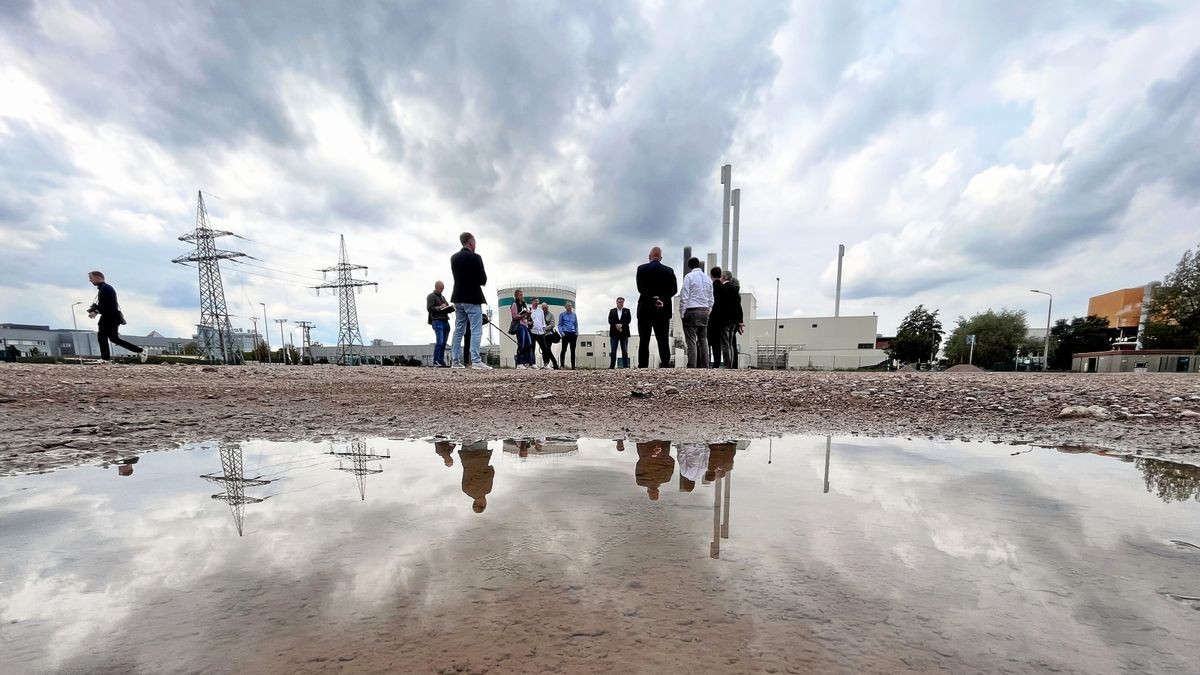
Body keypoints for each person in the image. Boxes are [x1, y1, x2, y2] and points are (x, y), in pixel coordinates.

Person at [449, 232, 492, 370]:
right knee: (476, 329)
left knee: (459, 329)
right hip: (472, 297)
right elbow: (483, 280)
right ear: (471, 242)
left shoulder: (453, 258)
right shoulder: (476, 257)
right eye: (475, 242)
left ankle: (455, 360)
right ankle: (476, 360)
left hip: (458, 297)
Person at [87, 271, 147, 362]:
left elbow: (108, 304)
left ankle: (105, 359)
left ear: (98, 278)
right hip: (112, 317)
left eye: (91, 278)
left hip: (109, 317)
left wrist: (96, 311)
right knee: (113, 338)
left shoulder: (105, 288)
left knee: (102, 336)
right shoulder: (104, 288)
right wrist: (96, 308)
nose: (89, 280)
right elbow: (107, 303)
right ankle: (140, 351)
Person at [635, 247, 678, 368]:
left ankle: (643, 364)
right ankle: (665, 363)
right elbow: (674, 290)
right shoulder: (669, 271)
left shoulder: (641, 269)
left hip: (645, 309)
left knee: (644, 339)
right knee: (663, 339)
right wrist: (661, 299)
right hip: (662, 310)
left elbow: (640, 288)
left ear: (649, 257)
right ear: (661, 258)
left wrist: (652, 299)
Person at [679, 257, 713, 368]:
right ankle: (705, 365)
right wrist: (708, 311)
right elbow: (711, 299)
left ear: (689, 267)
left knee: (691, 339)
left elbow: (684, 295)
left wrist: (682, 312)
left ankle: (692, 365)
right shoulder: (708, 279)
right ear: (699, 265)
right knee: (703, 339)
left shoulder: (688, 277)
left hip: (691, 310)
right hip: (704, 311)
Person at [459, 440, 495, 513]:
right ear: (474, 503)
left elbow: (490, 474)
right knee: (467, 434)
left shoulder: (487, 490)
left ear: (483, 504)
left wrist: (491, 469)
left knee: (480, 434)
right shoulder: (465, 490)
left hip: (480, 455)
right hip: (466, 456)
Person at [718, 270, 744, 368]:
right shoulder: (736, 292)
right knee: (731, 343)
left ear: (724, 277)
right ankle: (732, 365)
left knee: (725, 343)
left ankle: (727, 364)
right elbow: (738, 307)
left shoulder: (723, 289)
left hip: (725, 320)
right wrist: (740, 321)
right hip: (734, 321)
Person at [427, 281, 453, 367]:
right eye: (440, 289)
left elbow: (446, 305)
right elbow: (429, 308)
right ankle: (436, 361)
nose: (441, 290)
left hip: (445, 320)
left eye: (442, 289)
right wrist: (440, 307)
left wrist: (449, 307)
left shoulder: (442, 297)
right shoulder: (431, 296)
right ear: (436, 287)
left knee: (444, 343)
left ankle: (440, 360)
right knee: (440, 342)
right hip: (437, 320)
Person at [530, 299, 558, 370]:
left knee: (545, 349)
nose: (536, 303)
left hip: (543, 333)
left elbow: (546, 323)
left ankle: (547, 364)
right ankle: (533, 364)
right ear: (532, 302)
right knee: (532, 348)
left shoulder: (542, 312)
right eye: (535, 301)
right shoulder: (529, 310)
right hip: (533, 332)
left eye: (537, 302)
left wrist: (544, 329)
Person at [510, 289, 535, 369]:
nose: (522, 296)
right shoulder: (514, 305)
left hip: (525, 325)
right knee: (522, 343)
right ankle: (519, 363)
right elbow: (514, 317)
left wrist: (528, 314)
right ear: (516, 296)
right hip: (519, 325)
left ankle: (529, 362)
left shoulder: (524, 304)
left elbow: (527, 317)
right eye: (520, 295)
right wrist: (523, 315)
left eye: (522, 295)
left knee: (529, 344)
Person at [707, 267, 725, 368]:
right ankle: (717, 363)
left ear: (711, 275)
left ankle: (705, 361)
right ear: (720, 275)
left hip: (711, 317)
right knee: (717, 343)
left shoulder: (711, 287)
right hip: (721, 318)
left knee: (707, 340)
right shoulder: (724, 288)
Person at [608, 297, 631, 369]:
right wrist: (616, 325)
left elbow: (628, 320)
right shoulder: (612, 311)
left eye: (622, 302)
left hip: (624, 333)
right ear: (616, 302)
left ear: (623, 302)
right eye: (619, 302)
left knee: (624, 350)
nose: (620, 303)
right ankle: (612, 366)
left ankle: (625, 366)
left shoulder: (627, 311)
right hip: (614, 333)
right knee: (613, 350)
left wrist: (622, 325)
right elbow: (610, 320)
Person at [557, 301, 578, 369]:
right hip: (565, 333)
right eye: (568, 306)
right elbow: (560, 324)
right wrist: (561, 333)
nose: (569, 307)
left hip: (572, 333)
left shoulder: (574, 315)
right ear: (565, 307)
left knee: (573, 350)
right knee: (564, 349)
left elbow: (576, 324)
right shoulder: (562, 315)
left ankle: (573, 366)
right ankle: (562, 365)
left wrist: (576, 332)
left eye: (570, 306)